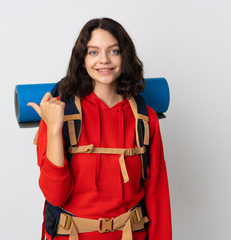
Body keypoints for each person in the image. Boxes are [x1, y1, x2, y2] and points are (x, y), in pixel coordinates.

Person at [28, 18, 172, 240]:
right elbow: (55, 196)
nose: (104, 60)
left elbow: (157, 196)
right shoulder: (57, 112)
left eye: (113, 51)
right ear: (82, 60)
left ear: (125, 56)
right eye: (93, 52)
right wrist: (55, 128)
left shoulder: (145, 118)